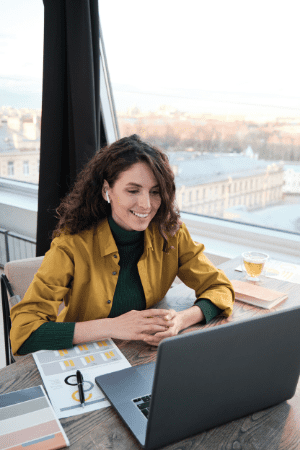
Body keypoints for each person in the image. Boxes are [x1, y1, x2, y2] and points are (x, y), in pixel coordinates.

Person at [10, 134, 234, 356]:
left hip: (141, 353)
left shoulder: (171, 232)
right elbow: (24, 333)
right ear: (107, 190)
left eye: (155, 192)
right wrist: (113, 326)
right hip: (81, 357)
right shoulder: (70, 245)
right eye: (133, 190)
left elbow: (220, 288)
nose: (146, 205)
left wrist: (181, 320)